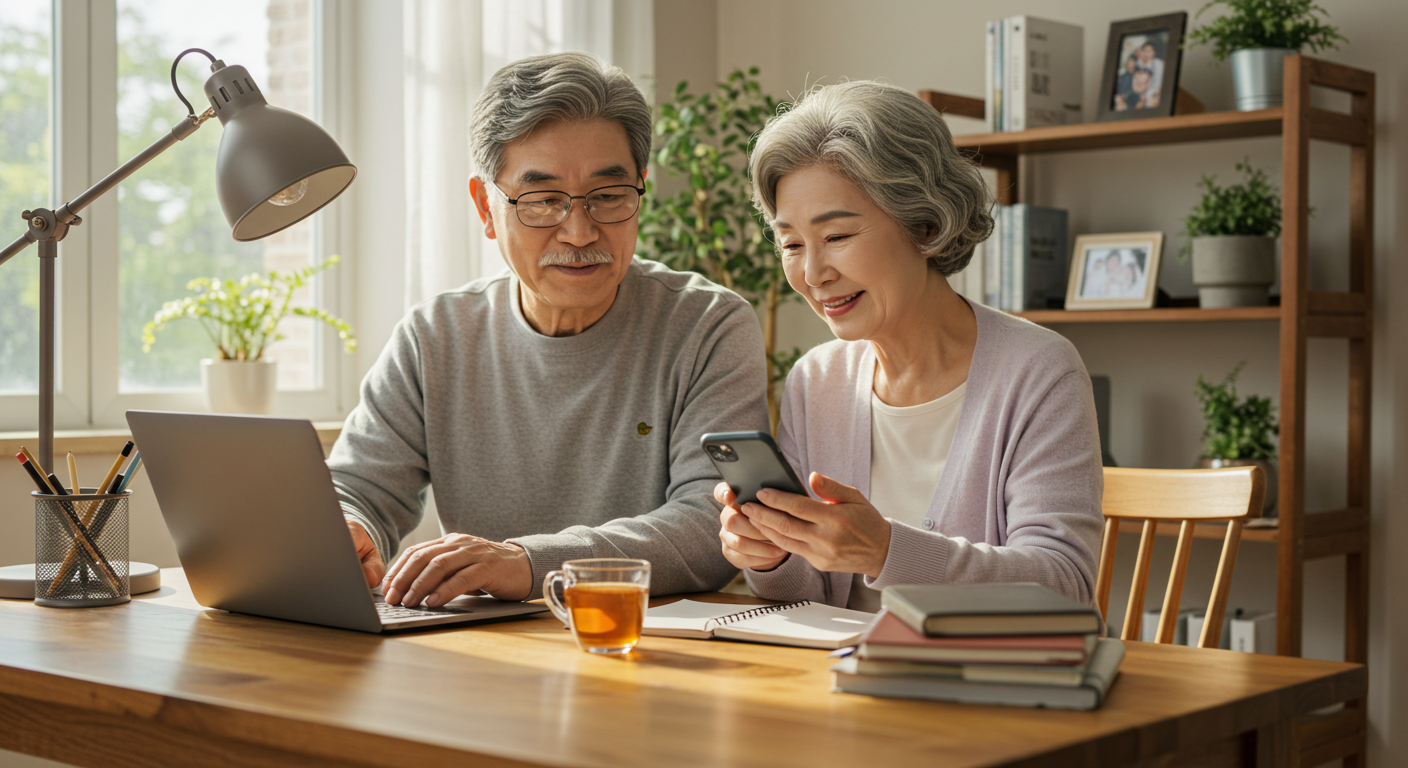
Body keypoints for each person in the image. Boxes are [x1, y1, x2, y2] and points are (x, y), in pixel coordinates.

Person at [330, 52, 769, 608]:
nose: (580, 232)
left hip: (642, 644)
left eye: (607, 196)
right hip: (477, 647)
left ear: (640, 191)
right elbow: (356, 488)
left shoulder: (708, 327)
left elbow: (712, 526)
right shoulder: (434, 338)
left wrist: (527, 563)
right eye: (542, 201)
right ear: (485, 208)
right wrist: (349, 528)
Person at [715, 81, 1103, 611]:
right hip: (845, 664)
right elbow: (807, 598)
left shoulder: (1038, 371)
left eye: (837, 237)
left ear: (924, 223)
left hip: (992, 666)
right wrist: (773, 556)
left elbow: (1063, 588)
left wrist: (886, 551)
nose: (813, 273)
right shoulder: (816, 380)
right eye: (791, 244)